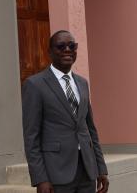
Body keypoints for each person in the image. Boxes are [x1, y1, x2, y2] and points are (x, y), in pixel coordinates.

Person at [22, 30, 109, 193]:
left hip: (87, 171)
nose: (67, 50)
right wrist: (40, 178)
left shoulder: (83, 83)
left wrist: (100, 168)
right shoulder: (35, 85)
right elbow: (31, 137)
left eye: (72, 46)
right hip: (56, 174)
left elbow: (90, 129)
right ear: (49, 52)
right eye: (61, 46)